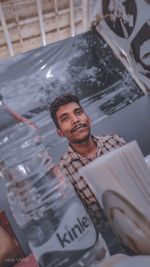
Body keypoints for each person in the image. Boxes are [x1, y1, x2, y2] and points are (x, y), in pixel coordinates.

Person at [49, 93, 129, 254]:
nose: (75, 120)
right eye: (65, 118)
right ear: (60, 132)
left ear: (88, 118)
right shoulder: (63, 172)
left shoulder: (115, 141)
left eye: (78, 112)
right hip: (114, 244)